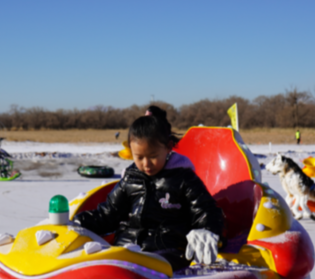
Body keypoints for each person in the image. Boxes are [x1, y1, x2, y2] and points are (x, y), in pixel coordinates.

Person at [74, 106, 225, 270]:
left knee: (141, 268)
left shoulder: (183, 179)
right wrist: (75, 223)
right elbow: (108, 214)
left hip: (167, 252)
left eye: (153, 156)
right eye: (139, 157)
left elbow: (206, 210)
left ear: (168, 147)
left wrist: (206, 229)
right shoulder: (130, 179)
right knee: (102, 265)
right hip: (125, 248)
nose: (146, 164)